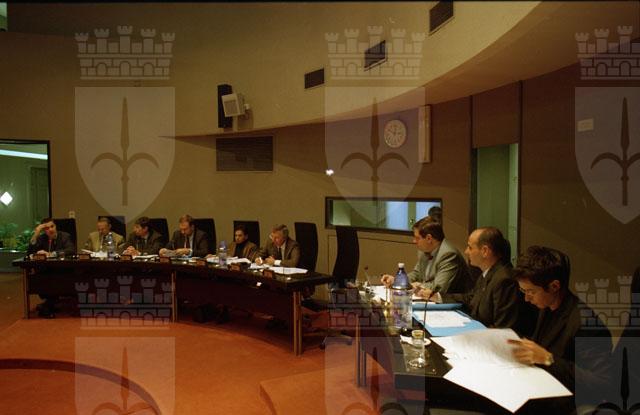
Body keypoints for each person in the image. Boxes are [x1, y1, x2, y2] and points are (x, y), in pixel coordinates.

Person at [508, 246, 612, 413]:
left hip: (566, 403)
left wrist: (548, 359)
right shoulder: (546, 306)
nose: (526, 298)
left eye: (531, 292)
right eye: (523, 291)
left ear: (554, 286)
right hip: (541, 386)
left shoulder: (586, 323)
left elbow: (602, 383)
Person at [421, 227, 535, 334]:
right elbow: (471, 298)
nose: (466, 251)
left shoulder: (504, 280)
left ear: (485, 251)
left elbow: (503, 330)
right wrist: (437, 296)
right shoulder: (488, 273)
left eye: (470, 247)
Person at [381, 215, 470, 294]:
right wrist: (397, 281)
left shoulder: (449, 255)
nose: (414, 241)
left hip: (451, 304)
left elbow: (439, 288)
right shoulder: (424, 251)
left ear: (429, 238)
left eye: (417, 238)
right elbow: (417, 274)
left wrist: (415, 286)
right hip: (430, 300)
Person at [27, 217, 75, 318]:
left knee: (52, 278)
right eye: (47, 228)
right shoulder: (42, 238)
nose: (50, 229)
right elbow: (29, 252)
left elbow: (70, 250)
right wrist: (36, 233)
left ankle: (48, 305)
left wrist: (52, 254)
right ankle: (49, 303)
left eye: (52, 226)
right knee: (40, 276)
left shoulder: (65, 236)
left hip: (62, 269)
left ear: (55, 226)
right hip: (46, 269)